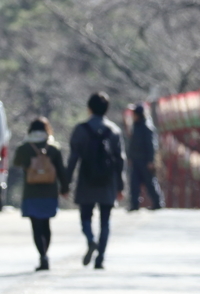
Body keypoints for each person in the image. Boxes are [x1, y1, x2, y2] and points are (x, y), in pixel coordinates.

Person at [66, 92, 125, 270]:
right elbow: (120, 160)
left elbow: (73, 158)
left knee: (85, 216)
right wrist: (121, 186)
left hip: (86, 178)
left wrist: (66, 182)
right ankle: (100, 259)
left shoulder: (81, 129)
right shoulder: (114, 130)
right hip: (108, 181)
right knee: (105, 220)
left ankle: (91, 240)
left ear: (89, 108)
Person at [13, 117, 69, 270]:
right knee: (46, 225)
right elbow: (61, 170)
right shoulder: (53, 147)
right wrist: (65, 188)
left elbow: (16, 163)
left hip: (31, 192)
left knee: (36, 227)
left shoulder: (24, 147)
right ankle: (45, 254)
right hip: (49, 192)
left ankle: (42, 255)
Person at [127, 104, 163, 211]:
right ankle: (134, 205)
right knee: (134, 183)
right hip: (136, 160)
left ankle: (158, 203)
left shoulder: (147, 127)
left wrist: (151, 161)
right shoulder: (136, 126)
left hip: (145, 160)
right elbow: (132, 144)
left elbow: (151, 145)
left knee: (150, 182)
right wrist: (130, 157)